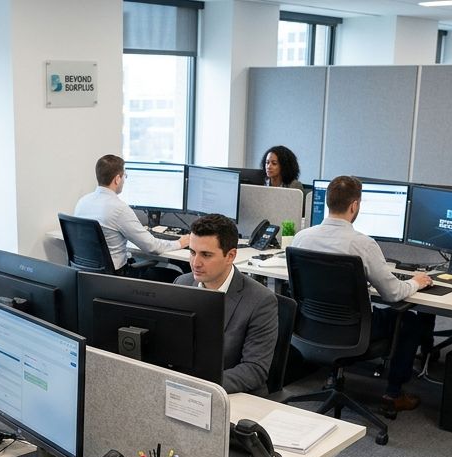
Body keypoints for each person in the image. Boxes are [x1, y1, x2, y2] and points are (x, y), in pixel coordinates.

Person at [291, 176, 433, 411]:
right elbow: (392, 293)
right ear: (354, 205)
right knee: (409, 320)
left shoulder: (301, 238)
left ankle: (331, 377)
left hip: (311, 328)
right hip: (353, 333)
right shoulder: (363, 244)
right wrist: (416, 282)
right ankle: (393, 393)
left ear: (327, 202)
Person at [174, 214, 278, 396]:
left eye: (206, 255)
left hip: (232, 394)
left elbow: (254, 369)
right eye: (192, 252)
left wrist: (197, 386)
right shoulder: (181, 284)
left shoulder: (261, 301)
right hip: (183, 390)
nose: (195, 263)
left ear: (230, 256)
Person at [74, 154, 189, 274]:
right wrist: (181, 242)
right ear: (117, 179)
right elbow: (151, 247)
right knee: (174, 274)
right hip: (116, 276)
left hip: (87, 274)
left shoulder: (82, 202)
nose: (124, 180)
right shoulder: (119, 209)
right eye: (124, 176)